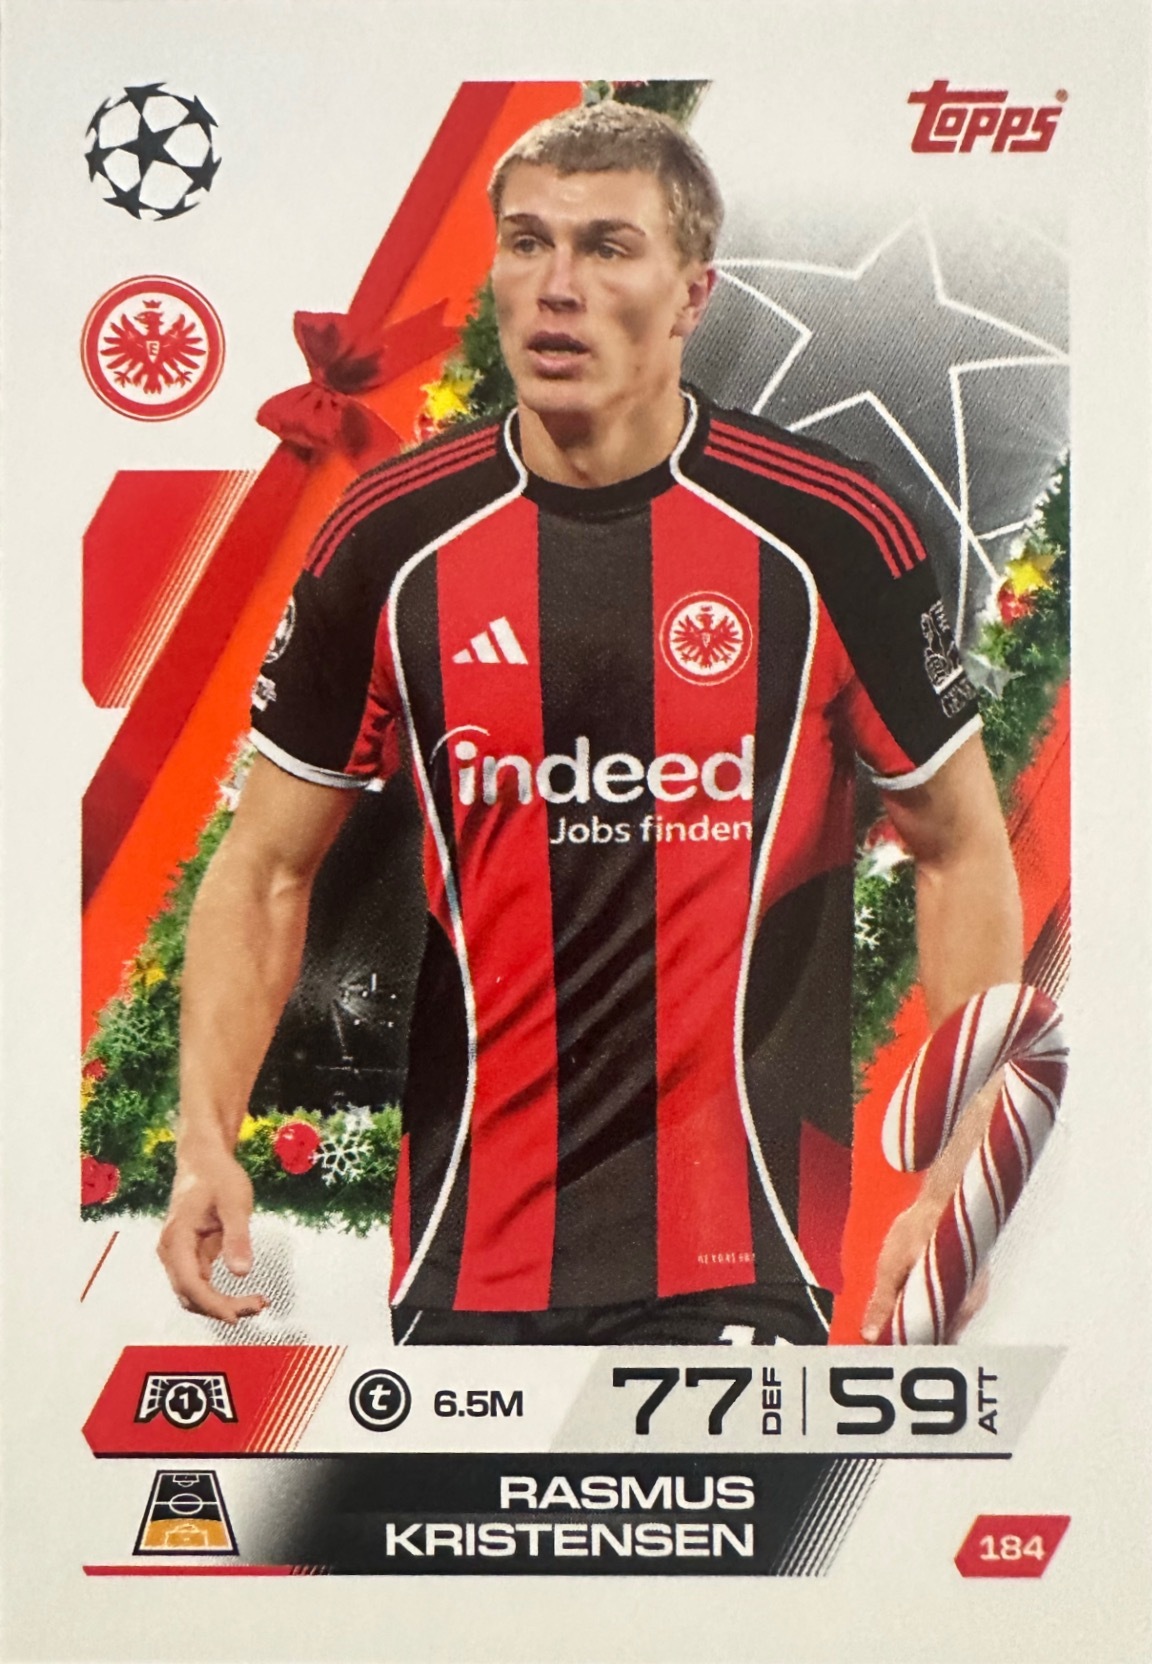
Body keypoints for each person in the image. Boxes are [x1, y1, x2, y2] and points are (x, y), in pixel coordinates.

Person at [159, 100, 1022, 1345]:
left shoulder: (830, 531)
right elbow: (264, 868)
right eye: (527, 242)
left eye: (608, 247)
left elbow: (959, 847)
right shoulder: (390, 540)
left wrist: (960, 1179)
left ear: (691, 294)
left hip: (744, 1243)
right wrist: (204, 1143)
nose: (556, 286)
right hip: (467, 1248)